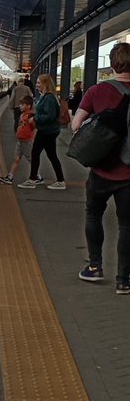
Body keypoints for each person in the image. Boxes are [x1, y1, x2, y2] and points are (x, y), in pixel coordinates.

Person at [72, 41, 130, 293]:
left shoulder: (96, 91)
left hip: (101, 170)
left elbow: (75, 126)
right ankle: (124, 280)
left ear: (111, 63)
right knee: (127, 225)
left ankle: (95, 267)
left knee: (93, 215)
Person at [17, 74, 66, 190]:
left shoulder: (48, 97)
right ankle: (60, 180)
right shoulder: (46, 96)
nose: (37, 84)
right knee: (51, 155)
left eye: (39, 82)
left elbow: (49, 115)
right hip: (49, 130)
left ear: (45, 84)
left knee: (35, 153)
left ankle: (33, 180)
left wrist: (35, 119)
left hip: (46, 130)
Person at [0, 96, 37, 184]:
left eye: (22, 105)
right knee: (16, 158)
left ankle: (37, 176)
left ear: (28, 106)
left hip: (27, 141)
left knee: (31, 159)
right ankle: (10, 177)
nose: (20, 106)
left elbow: (33, 127)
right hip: (20, 141)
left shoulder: (31, 115)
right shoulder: (22, 115)